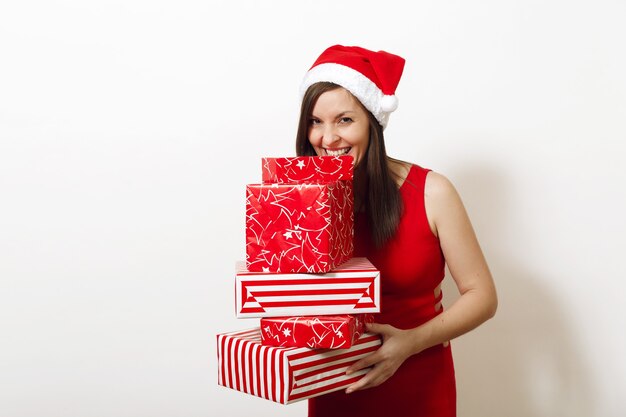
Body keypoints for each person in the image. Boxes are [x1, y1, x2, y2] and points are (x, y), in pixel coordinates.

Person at [295, 45, 498, 417]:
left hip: (418, 383)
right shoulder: (299, 202)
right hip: (336, 385)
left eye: (344, 120)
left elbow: (482, 296)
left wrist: (409, 343)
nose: (327, 139)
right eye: (314, 121)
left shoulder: (432, 192)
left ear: (373, 121)